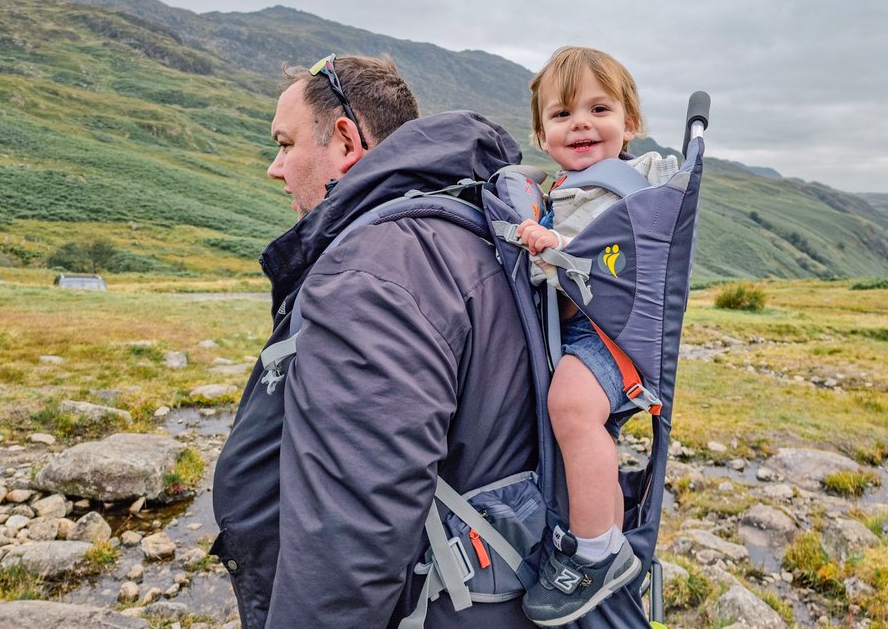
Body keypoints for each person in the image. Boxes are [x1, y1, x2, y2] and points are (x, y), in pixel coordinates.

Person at [211, 54, 539, 628]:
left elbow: (348, 548)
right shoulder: (468, 231)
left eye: (285, 144)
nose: (274, 167)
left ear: (344, 141)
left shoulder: (371, 274)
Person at [518, 46, 676, 626]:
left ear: (629, 124)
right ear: (542, 133)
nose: (580, 122)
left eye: (599, 108)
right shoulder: (563, 186)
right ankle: (608, 540)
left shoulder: (624, 187)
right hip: (593, 330)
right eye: (561, 115)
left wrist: (553, 246)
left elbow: (609, 256)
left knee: (572, 405)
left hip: (614, 333)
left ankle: (594, 555)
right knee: (594, 433)